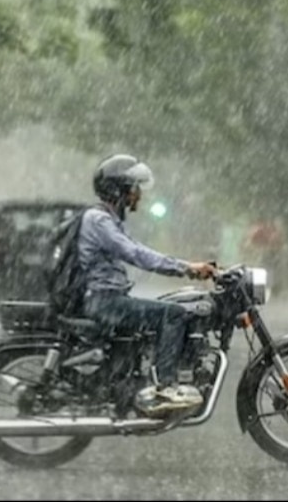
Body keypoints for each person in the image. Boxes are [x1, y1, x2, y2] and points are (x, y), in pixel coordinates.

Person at [77, 154, 217, 416]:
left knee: (167, 306)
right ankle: (165, 387)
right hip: (103, 301)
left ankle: (140, 381)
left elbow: (136, 249)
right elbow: (135, 253)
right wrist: (185, 268)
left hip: (106, 297)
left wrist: (186, 267)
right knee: (172, 314)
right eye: (134, 188)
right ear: (119, 190)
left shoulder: (108, 219)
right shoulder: (98, 220)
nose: (138, 195)